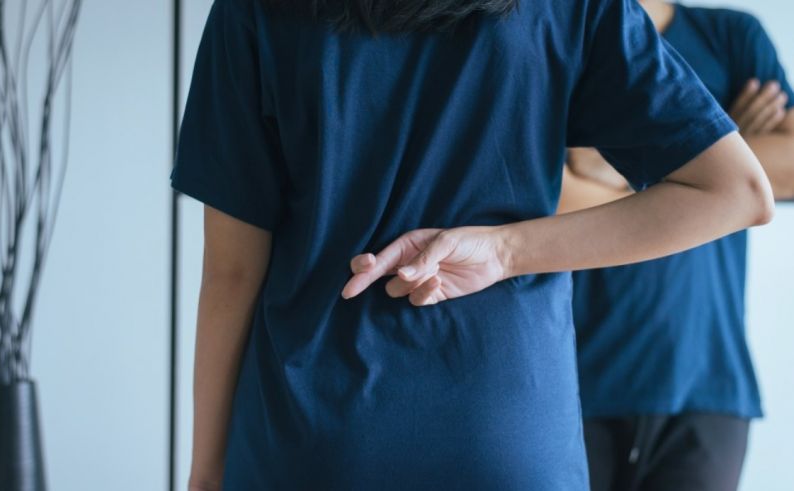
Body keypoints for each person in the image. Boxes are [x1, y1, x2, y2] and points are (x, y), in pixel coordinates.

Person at [171, 0, 773, 489]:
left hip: (309, 439)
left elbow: (231, 273)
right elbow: (737, 192)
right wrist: (506, 251)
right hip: (510, 433)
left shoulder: (254, 11)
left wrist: (207, 470)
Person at [559, 1, 794, 490]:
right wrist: (716, 157)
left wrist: (615, 167)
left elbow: (788, 169)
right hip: (570, 383)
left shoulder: (731, 36)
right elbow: (550, 197)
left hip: (706, 387)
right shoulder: (556, 35)